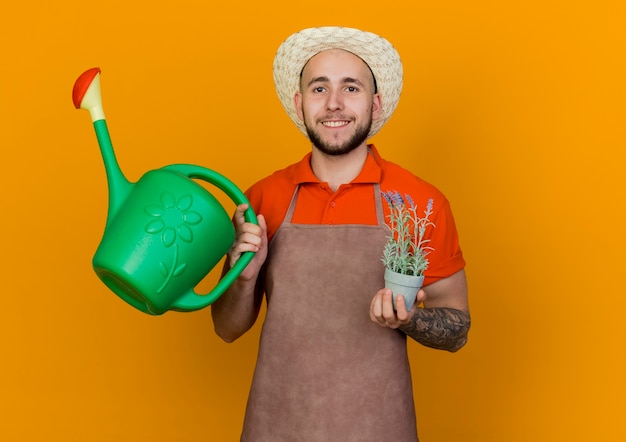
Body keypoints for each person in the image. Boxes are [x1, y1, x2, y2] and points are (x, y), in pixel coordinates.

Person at [211, 26, 470, 441]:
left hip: (379, 428)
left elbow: (457, 329)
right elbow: (227, 329)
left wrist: (409, 319)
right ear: (299, 104)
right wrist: (243, 278)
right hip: (276, 426)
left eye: (351, 88)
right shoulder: (262, 198)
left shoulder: (420, 204)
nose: (334, 103)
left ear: (375, 102)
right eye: (319, 88)